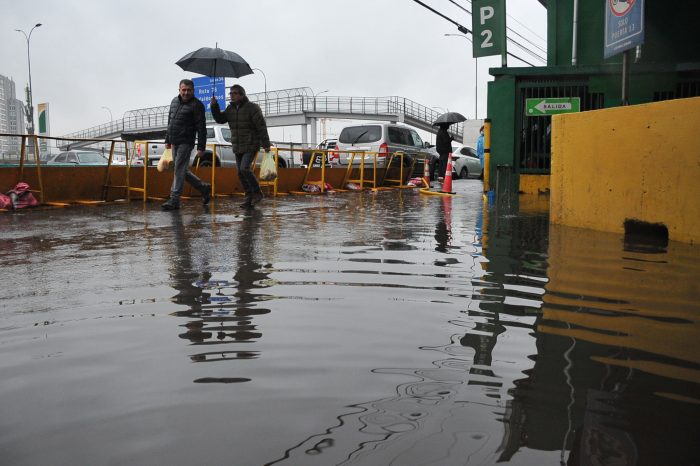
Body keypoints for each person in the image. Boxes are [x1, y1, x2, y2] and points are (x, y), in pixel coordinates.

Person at [210, 84, 271, 208]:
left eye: (234, 93)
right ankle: (249, 198)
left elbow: (261, 126)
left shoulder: (252, 108)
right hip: (237, 145)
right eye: (230, 93)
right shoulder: (230, 109)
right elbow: (220, 119)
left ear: (242, 95)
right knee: (240, 173)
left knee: (244, 168)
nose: (231, 95)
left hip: (251, 143)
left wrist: (266, 144)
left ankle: (257, 192)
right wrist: (214, 106)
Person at [162, 79, 211, 211]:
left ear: (193, 91)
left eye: (189, 90)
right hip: (174, 141)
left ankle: (174, 199)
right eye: (184, 90)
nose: (186, 92)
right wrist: (167, 139)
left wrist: (201, 147)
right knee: (181, 169)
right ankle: (203, 187)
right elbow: (170, 122)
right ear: (179, 90)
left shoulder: (197, 105)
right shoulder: (174, 102)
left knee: (178, 169)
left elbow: (201, 128)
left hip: (186, 141)